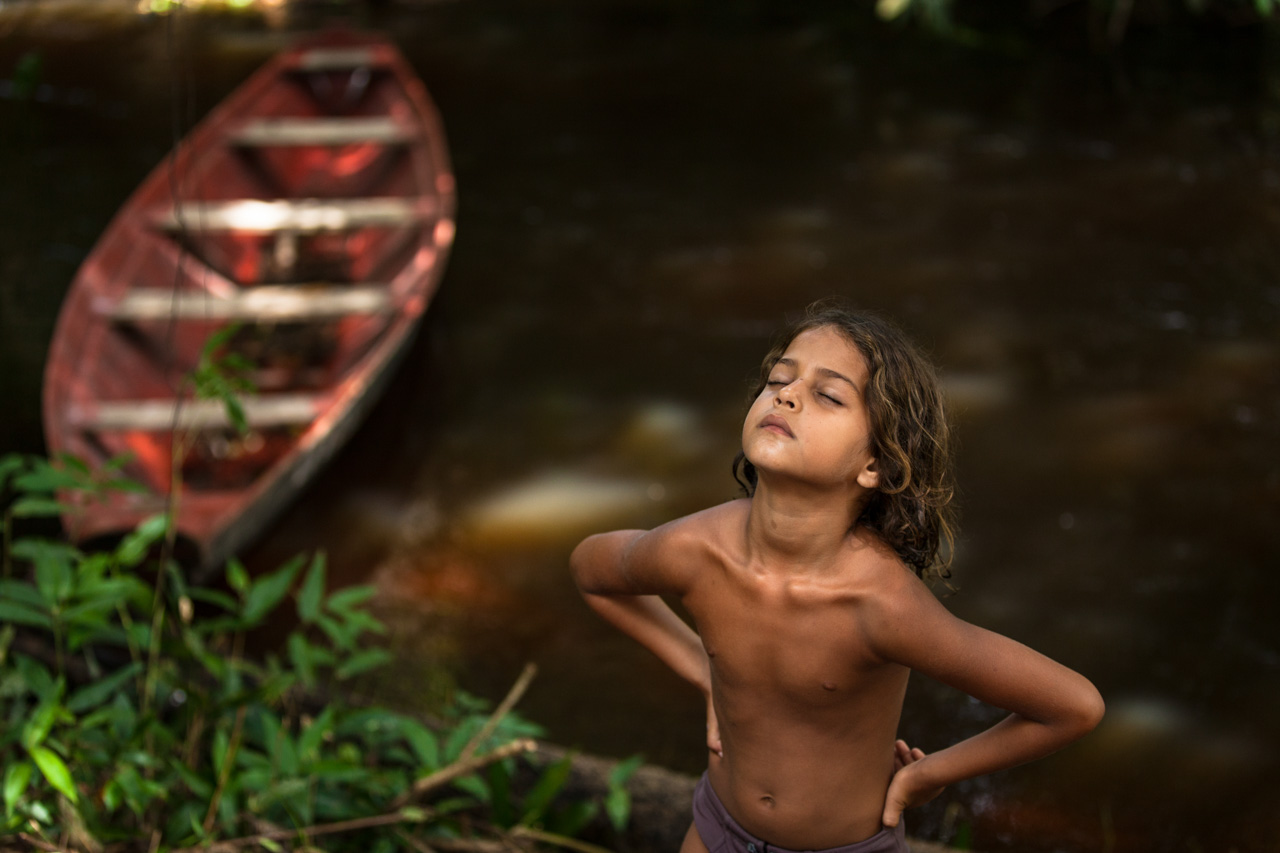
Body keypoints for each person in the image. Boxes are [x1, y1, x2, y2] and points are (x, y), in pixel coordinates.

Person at [570, 302, 1105, 853]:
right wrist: (705, 672)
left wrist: (928, 775)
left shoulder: (881, 605)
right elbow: (592, 572)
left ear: (874, 464)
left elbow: (1072, 706)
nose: (785, 394)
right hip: (715, 829)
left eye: (827, 395)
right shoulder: (694, 550)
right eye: (779, 379)